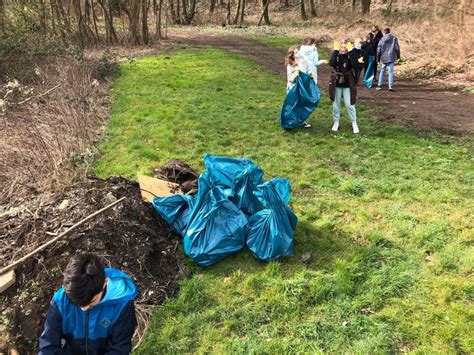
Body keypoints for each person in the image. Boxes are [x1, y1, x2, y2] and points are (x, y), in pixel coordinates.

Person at [39, 254, 137, 354]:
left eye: (92, 301)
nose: (84, 309)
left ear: (104, 283)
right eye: (77, 303)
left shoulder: (122, 304)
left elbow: (119, 349)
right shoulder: (60, 301)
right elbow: (48, 347)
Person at [329, 41, 359, 133]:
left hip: (347, 84)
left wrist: (351, 51)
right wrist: (335, 51)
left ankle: (354, 123)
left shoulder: (351, 55)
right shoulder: (336, 55)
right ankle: (336, 122)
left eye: (345, 47)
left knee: (350, 104)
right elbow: (331, 63)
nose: (343, 49)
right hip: (336, 83)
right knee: (335, 105)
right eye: (341, 47)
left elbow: (355, 65)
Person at [285, 47, 311, 128]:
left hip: (301, 87)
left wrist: (310, 74)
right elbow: (289, 78)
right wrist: (294, 75)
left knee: (302, 104)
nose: (298, 53)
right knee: (293, 105)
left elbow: (306, 70)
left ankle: (303, 121)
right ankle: (289, 121)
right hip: (292, 88)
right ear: (292, 54)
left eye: (298, 52)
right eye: (296, 52)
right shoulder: (290, 65)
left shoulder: (302, 61)